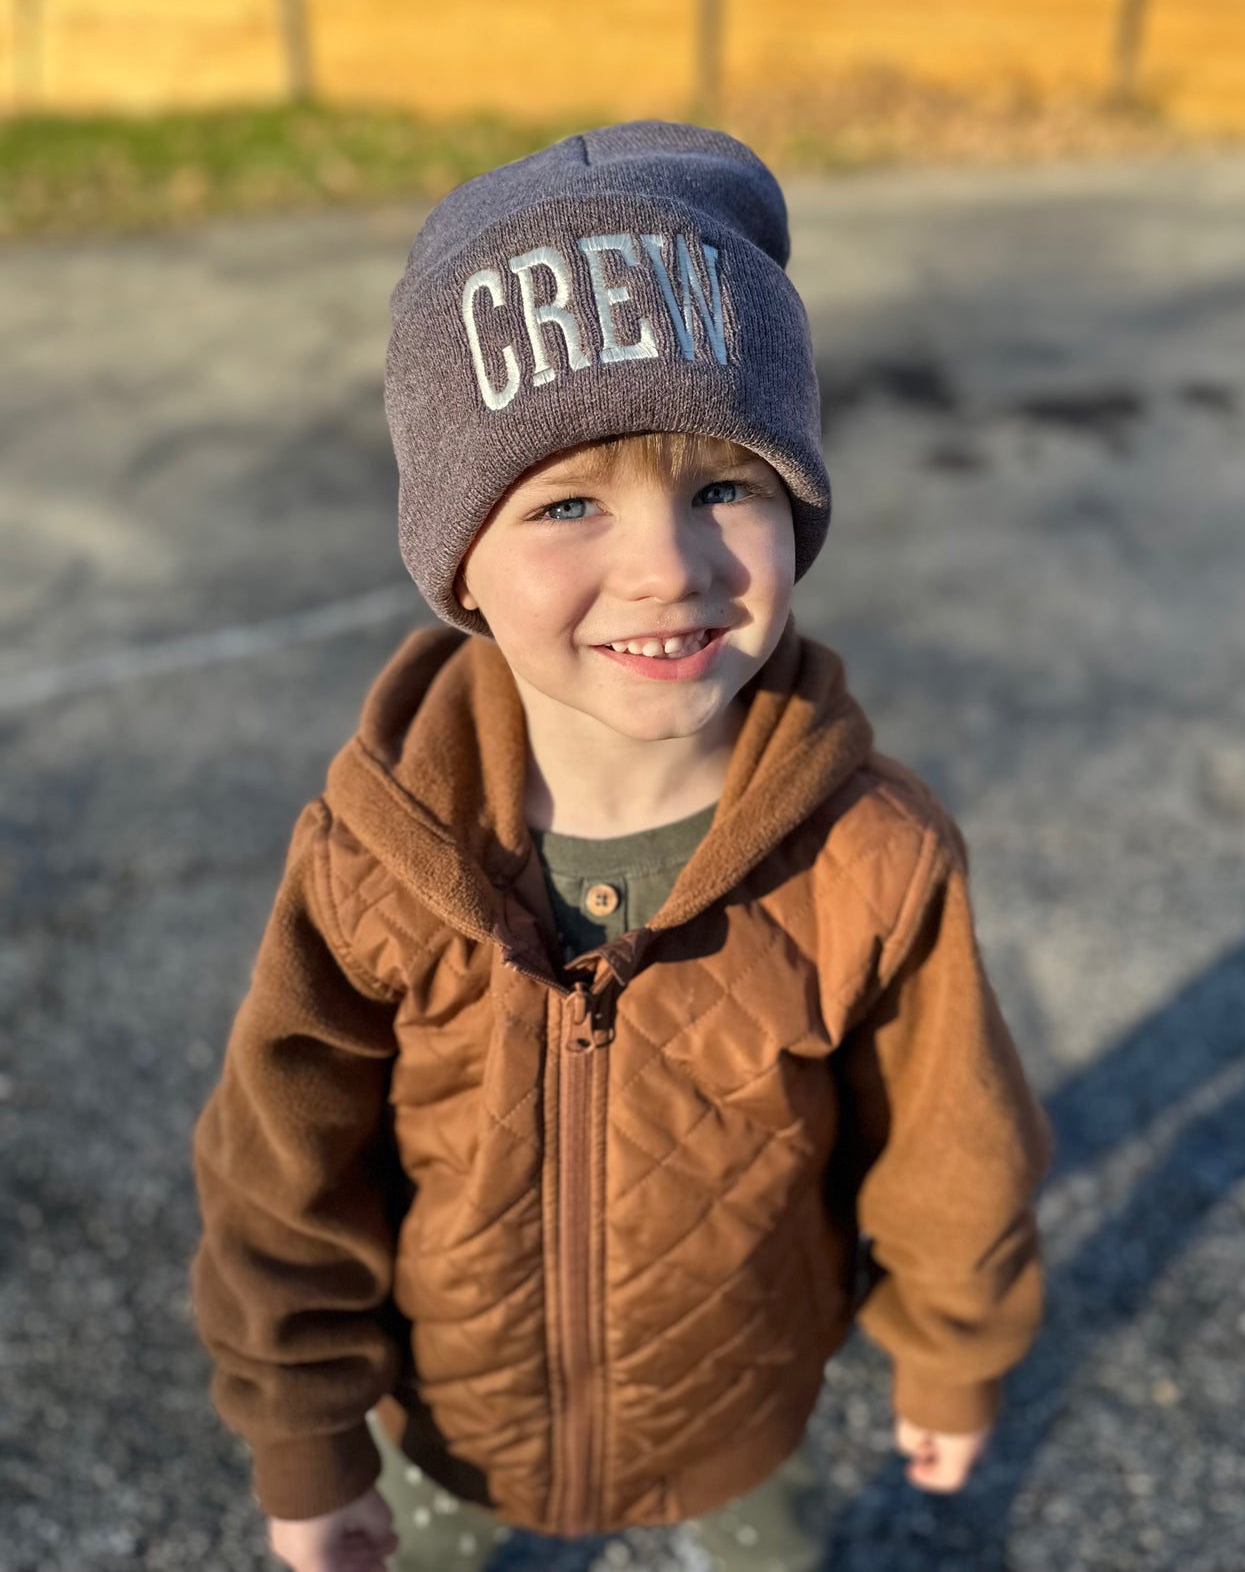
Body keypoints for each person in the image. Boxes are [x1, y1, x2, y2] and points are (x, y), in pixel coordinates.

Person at [189, 121, 1052, 1572]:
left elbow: (949, 1149)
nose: (666, 565)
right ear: (455, 555)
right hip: (444, 1427)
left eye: (726, 486)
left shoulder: (872, 857)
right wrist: (308, 1439)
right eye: (568, 502)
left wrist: (952, 1353)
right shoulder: (374, 858)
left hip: (736, 1404)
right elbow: (281, 1178)